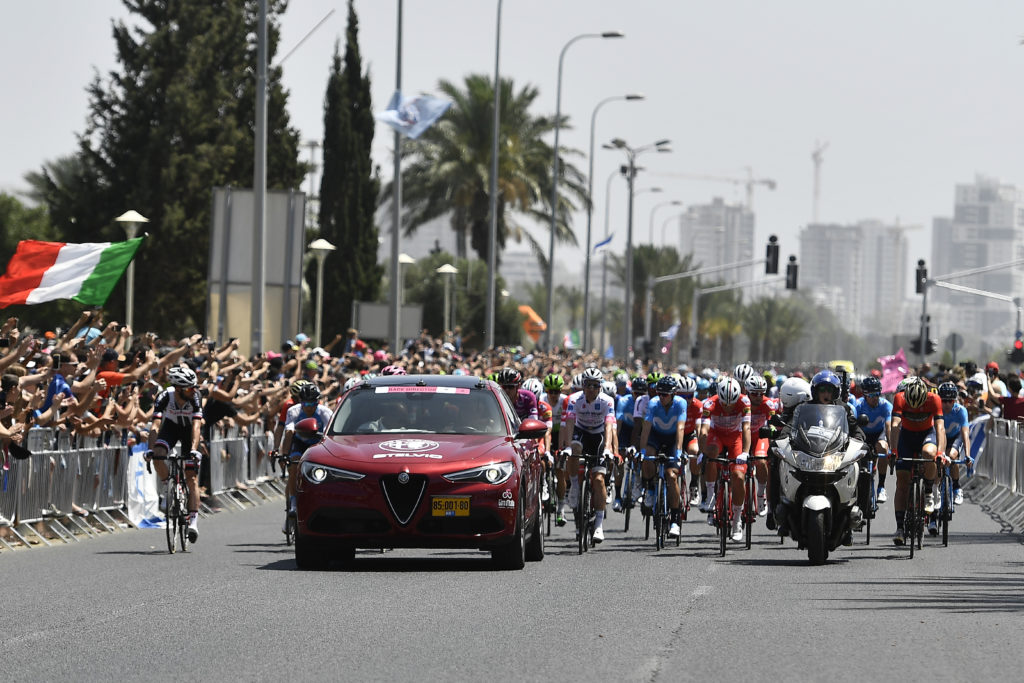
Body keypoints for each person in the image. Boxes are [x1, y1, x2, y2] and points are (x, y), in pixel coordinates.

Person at [148, 366, 204, 542]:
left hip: (189, 432)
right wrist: (150, 449)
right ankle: (168, 487)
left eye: (194, 387)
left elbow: (196, 426)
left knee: (191, 477)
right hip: (171, 428)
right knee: (157, 455)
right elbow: (156, 425)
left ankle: (193, 521)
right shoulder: (165, 396)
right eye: (189, 388)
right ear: (178, 389)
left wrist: (194, 450)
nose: (193, 390)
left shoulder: (195, 397)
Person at [560, 367, 616, 543]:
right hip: (581, 432)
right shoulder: (574, 399)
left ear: (600, 386)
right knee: (574, 449)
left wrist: (608, 448)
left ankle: (598, 524)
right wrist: (568, 446)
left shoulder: (607, 401)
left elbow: (609, 426)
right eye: (588, 385)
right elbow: (569, 422)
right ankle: (575, 486)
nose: (591, 388)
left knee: (599, 479)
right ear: (582, 386)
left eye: (595, 385)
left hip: (598, 436)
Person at [890, 377, 946, 546]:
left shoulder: (934, 399)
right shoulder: (899, 398)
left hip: (926, 434)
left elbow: (940, 428)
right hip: (906, 437)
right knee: (902, 482)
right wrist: (893, 450)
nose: (915, 411)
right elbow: (894, 425)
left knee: (929, 452)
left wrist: (941, 453)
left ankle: (928, 490)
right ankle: (900, 528)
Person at [698, 377, 751, 542]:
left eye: (731, 404)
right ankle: (711, 496)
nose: (728, 407)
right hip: (717, 436)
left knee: (738, 476)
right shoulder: (709, 404)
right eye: (724, 403)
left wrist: (745, 452)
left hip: (735, 437)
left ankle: (736, 521)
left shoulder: (744, 402)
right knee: (712, 454)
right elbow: (704, 430)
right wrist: (702, 451)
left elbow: (746, 427)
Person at [280, 383, 334, 534]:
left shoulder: (325, 412)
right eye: (305, 403)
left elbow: (331, 436)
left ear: (318, 402)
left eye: (312, 403)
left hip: (318, 443)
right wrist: (284, 455)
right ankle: (293, 504)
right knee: (293, 466)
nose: (309, 407)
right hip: (299, 442)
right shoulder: (294, 411)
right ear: (300, 402)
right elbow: (289, 433)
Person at [637, 376, 687, 538]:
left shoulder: (681, 403)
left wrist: (678, 452)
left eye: (665, 395)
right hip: (656, 436)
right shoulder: (653, 404)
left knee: (671, 476)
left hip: (673, 439)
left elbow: (680, 428)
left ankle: (674, 518)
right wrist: (642, 451)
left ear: (673, 394)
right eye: (659, 394)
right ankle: (650, 489)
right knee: (648, 457)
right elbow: (646, 428)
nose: (661, 397)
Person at [932, 381, 970, 534]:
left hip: (954, 439)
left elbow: (965, 434)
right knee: (936, 468)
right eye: (944, 400)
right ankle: (932, 517)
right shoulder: (935, 409)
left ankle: (956, 487)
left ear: (955, 400)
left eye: (950, 401)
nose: (947, 404)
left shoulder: (960, 411)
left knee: (952, 456)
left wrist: (967, 455)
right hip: (938, 438)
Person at [853, 375, 893, 503]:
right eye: (871, 395)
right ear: (864, 395)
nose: (874, 398)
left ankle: (881, 487)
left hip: (878, 434)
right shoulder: (858, 405)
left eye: (877, 394)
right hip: (863, 434)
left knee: (883, 448)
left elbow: (888, 427)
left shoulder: (885, 405)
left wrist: (892, 449)